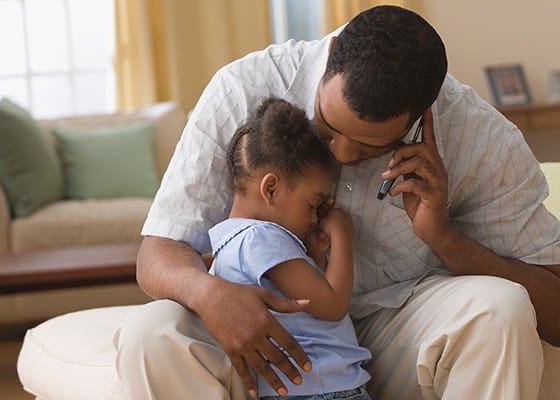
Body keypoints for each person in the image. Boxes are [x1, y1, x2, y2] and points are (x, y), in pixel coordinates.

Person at [114, 5, 560, 400]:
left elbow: (556, 313)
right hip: (270, 337)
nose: (342, 154)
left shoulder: (482, 138)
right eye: (328, 128)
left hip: (400, 329)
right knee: (150, 336)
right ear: (326, 64)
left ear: (423, 117)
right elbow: (159, 253)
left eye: (371, 148)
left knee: (500, 308)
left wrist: (442, 236)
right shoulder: (243, 89)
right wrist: (209, 293)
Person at [209, 97, 371, 399]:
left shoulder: (230, 242)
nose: (314, 218)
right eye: (312, 204)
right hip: (324, 388)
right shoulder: (260, 238)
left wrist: (316, 256)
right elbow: (332, 307)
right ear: (270, 189)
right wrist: (343, 232)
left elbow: (302, 309)